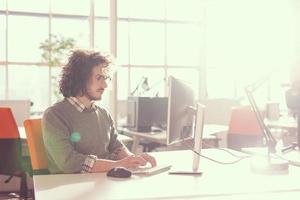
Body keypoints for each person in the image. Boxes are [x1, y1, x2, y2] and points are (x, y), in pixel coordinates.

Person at [42, 50, 156, 174]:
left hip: (104, 182)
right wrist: (118, 164)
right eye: (99, 78)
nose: (105, 85)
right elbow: (69, 163)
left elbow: (116, 147)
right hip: (69, 187)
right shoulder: (55, 115)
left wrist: (134, 160)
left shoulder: (103, 114)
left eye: (105, 78)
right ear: (81, 79)